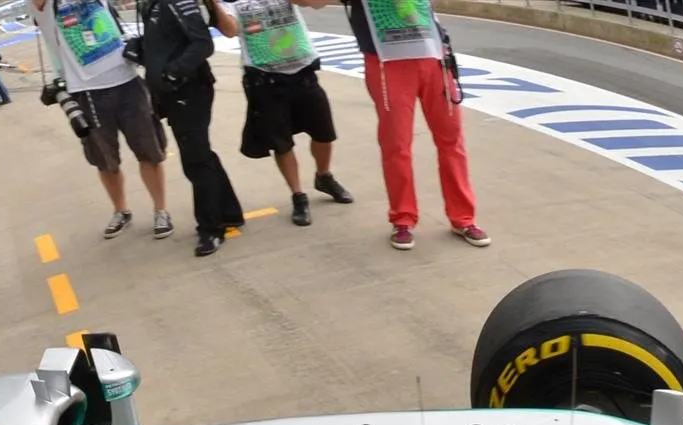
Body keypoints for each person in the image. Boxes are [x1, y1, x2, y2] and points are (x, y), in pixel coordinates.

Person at [339, 0, 488, 251]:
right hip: (387, 62)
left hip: (434, 57)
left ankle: (463, 218)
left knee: (451, 140)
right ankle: (403, 218)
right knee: (396, 144)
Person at [33, 0, 175, 240]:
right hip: (86, 92)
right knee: (104, 159)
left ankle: (161, 210)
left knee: (149, 151)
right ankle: (121, 209)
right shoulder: (47, 7)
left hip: (128, 83)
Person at [221, 0, 354, 226]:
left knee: (324, 133)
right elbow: (231, 30)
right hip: (264, 76)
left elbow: (317, 4)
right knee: (281, 142)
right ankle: (298, 195)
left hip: (302, 70)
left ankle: (324, 176)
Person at [138, 0, 245, 255]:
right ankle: (230, 212)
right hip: (172, 94)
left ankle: (211, 229)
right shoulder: (151, 4)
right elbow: (168, 43)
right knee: (201, 155)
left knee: (195, 161)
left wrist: (173, 74)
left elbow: (202, 43)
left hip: (189, 90)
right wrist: (141, 51)